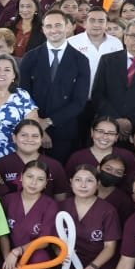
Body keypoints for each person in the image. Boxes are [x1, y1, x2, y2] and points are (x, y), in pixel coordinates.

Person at [48, 165, 122, 269]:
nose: (83, 185)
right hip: (72, 264)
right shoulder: (62, 207)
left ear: (97, 184)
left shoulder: (107, 210)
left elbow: (110, 247)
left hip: (99, 264)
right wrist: (59, 253)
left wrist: (92, 268)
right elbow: (55, 240)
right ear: (71, 182)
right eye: (78, 180)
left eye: (89, 181)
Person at [19, 9, 90, 162]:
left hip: (64, 131)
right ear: (43, 29)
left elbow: (79, 102)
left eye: (58, 25)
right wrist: (37, 125)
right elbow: (23, 96)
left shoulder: (81, 60)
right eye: (49, 26)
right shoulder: (30, 57)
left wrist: (48, 122)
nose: (53, 30)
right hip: (31, 131)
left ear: (68, 27)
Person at [0, 160, 59, 269]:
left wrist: (18, 251)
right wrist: (7, 255)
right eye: (29, 176)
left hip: (34, 256)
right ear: (21, 178)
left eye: (40, 179)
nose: (33, 183)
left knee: (40, 257)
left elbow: (45, 240)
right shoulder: (7, 200)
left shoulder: (50, 205)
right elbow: (1, 232)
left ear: (46, 183)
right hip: (8, 256)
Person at [0, 119, 68, 198]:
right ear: (14, 138)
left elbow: (61, 198)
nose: (29, 139)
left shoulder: (54, 165)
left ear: (41, 139)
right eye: (24, 135)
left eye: (35, 136)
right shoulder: (1, 164)